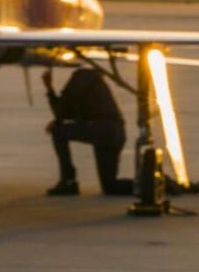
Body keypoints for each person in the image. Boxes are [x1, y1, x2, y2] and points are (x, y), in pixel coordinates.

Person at [42, 67, 132, 196]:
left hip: (100, 130)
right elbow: (64, 112)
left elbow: (61, 110)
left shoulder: (79, 80)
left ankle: (68, 181)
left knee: (58, 132)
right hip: (115, 132)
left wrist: (49, 88)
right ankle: (150, 184)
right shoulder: (95, 84)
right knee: (110, 186)